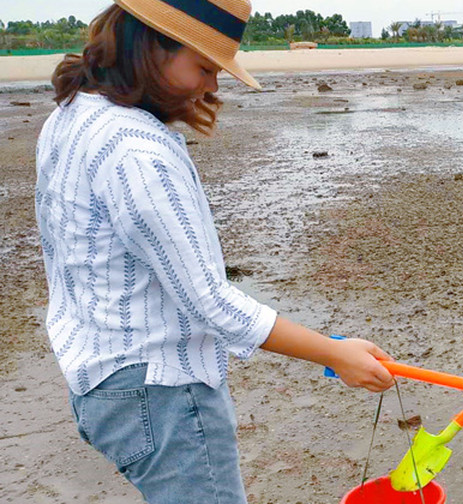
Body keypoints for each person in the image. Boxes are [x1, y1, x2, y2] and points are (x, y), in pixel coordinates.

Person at [35, 1, 395, 502]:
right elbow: (210, 302)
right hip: (160, 388)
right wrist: (334, 353)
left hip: (99, 381)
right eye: (204, 67)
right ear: (150, 45)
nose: (212, 87)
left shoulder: (73, 112)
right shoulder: (136, 150)